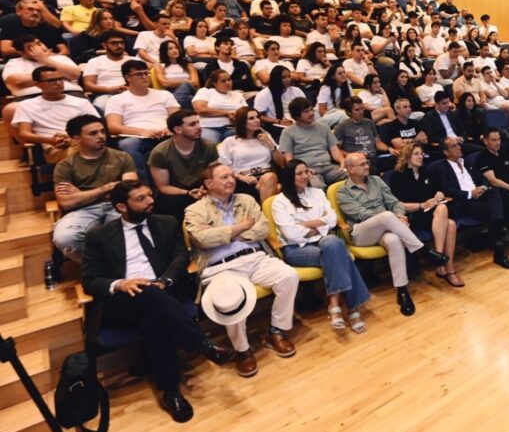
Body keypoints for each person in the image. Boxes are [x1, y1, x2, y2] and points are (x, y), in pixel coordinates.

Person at [81, 180, 234, 423]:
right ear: (122, 207)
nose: (150, 200)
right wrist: (121, 284)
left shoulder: (166, 222)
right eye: (140, 198)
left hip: (161, 293)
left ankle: (171, 392)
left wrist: (164, 281)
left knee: (154, 319)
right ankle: (202, 343)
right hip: (122, 300)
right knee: (148, 294)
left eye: (149, 195)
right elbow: (90, 280)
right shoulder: (100, 236)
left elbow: (181, 256)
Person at [185, 164, 300, 377]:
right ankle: (242, 349)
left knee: (289, 276)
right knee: (232, 300)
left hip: (255, 258)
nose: (231, 180)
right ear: (208, 184)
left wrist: (222, 234)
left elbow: (262, 228)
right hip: (221, 268)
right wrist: (239, 228)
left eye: (231, 175)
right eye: (224, 177)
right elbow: (201, 239)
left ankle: (277, 329)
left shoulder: (246, 201)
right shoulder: (195, 210)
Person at [336, 152, 448, 316]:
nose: (367, 166)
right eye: (362, 164)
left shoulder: (376, 181)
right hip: (361, 233)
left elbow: (394, 202)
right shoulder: (342, 191)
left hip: (386, 227)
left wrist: (400, 216)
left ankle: (402, 291)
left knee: (394, 240)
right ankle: (423, 251)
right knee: (386, 216)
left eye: (367, 163)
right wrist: (392, 218)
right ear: (350, 169)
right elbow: (361, 214)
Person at [272, 160, 371, 333]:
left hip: (324, 242)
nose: (304, 177)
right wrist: (320, 222)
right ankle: (353, 309)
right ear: (289, 177)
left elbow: (332, 220)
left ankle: (334, 306)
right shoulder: (279, 202)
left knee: (332, 244)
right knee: (341, 254)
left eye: (306, 172)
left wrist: (305, 224)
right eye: (299, 173)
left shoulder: (317, 193)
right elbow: (291, 234)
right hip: (297, 250)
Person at [51, 115, 137, 262]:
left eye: (102, 131)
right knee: (65, 238)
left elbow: (129, 190)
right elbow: (66, 203)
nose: (101, 136)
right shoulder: (65, 166)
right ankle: (101, 267)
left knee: (126, 232)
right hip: (83, 211)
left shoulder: (122, 157)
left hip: (117, 205)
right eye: (93, 133)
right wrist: (106, 188)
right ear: (76, 139)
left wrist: (82, 195)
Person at [434, 137, 509, 269]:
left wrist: (483, 188)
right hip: (462, 201)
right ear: (446, 152)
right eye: (454, 146)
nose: (459, 147)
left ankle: (492, 242)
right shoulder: (441, 167)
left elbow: (482, 178)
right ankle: (499, 248)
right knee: (494, 210)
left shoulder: (465, 162)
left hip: (478, 194)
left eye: (458, 145)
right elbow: (446, 189)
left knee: (494, 193)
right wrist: (469, 194)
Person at [389, 144, 462, 286]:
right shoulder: (397, 176)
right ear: (407, 157)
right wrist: (422, 205)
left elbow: (437, 191)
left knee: (446, 217)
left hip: (431, 215)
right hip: (412, 216)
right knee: (449, 222)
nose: (420, 157)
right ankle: (445, 266)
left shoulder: (426, 171)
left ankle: (443, 263)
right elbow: (396, 205)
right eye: (416, 154)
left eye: (421, 154)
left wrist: (439, 195)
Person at [105, 60, 180, 184]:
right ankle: (143, 185)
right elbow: (113, 127)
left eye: (146, 73)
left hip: (166, 134)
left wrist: (169, 128)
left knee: (188, 134)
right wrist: (142, 132)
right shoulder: (116, 99)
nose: (145, 77)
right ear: (127, 77)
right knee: (128, 145)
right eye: (139, 74)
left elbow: (177, 117)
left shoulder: (164, 94)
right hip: (137, 137)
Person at [9, 64, 94, 163]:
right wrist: (49, 140)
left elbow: (96, 125)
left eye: (61, 79)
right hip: (55, 147)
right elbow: (24, 134)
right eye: (51, 80)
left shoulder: (81, 102)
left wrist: (72, 137)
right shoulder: (26, 105)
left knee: (89, 148)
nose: (58, 83)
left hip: (81, 140)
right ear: (37, 84)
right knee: (82, 154)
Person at [149, 110, 220, 218]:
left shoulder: (208, 146)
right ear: (178, 129)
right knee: (172, 205)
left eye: (198, 123)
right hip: (176, 193)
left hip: (202, 188)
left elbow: (213, 174)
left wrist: (205, 189)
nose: (199, 127)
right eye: (192, 124)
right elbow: (163, 187)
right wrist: (187, 192)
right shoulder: (160, 152)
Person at [219, 107, 285, 201]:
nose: (257, 120)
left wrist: (270, 145)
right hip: (243, 179)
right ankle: (268, 207)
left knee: (269, 177)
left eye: (257, 117)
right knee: (276, 186)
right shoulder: (230, 141)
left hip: (267, 175)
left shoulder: (266, 137)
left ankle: (264, 212)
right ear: (242, 122)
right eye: (251, 118)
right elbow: (223, 168)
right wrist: (240, 177)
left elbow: (281, 163)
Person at [280, 98, 347, 188]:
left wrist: (342, 161)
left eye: (311, 109)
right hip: (308, 169)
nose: (311, 113)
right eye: (306, 112)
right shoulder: (288, 132)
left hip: (329, 167)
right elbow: (289, 160)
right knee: (317, 186)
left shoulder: (324, 127)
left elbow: (334, 150)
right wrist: (303, 171)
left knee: (354, 175)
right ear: (296, 116)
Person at [192, 69, 247, 143]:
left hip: (233, 128)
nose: (228, 83)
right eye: (223, 81)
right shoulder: (205, 91)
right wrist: (227, 113)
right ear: (215, 83)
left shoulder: (238, 94)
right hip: (210, 127)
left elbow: (246, 113)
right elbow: (200, 109)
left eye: (229, 80)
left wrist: (236, 117)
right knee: (209, 146)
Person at [82, 30, 130, 113]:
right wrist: (110, 90)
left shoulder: (134, 60)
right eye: (114, 43)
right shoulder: (95, 61)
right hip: (105, 94)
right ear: (104, 45)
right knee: (101, 105)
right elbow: (88, 85)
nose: (119, 45)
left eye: (121, 42)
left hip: (131, 93)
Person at [155, 39, 200, 108]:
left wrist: (182, 83)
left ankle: (174, 105)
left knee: (186, 85)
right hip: (171, 93)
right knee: (188, 99)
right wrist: (184, 81)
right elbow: (164, 83)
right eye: (170, 49)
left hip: (189, 90)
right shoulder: (160, 66)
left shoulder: (188, 65)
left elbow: (195, 82)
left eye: (176, 48)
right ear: (164, 51)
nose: (174, 50)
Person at [316, 62, 352, 128]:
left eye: (344, 72)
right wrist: (338, 112)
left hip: (339, 115)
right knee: (343, 114)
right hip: (322, 117)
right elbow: (322, 112)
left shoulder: (347, 86)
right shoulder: (326, 88)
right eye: (339, 73)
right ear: (333, 76)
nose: (343, 75)